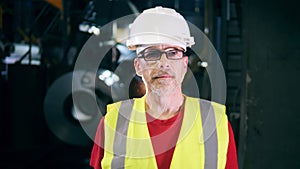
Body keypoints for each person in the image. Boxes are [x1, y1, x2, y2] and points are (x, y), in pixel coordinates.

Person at [90, 6, 238, 169]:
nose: (163, 63)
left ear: (184, 64)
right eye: (152, 54)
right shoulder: (112, 124)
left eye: (173, 52)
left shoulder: (215, 124)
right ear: (138, 66)